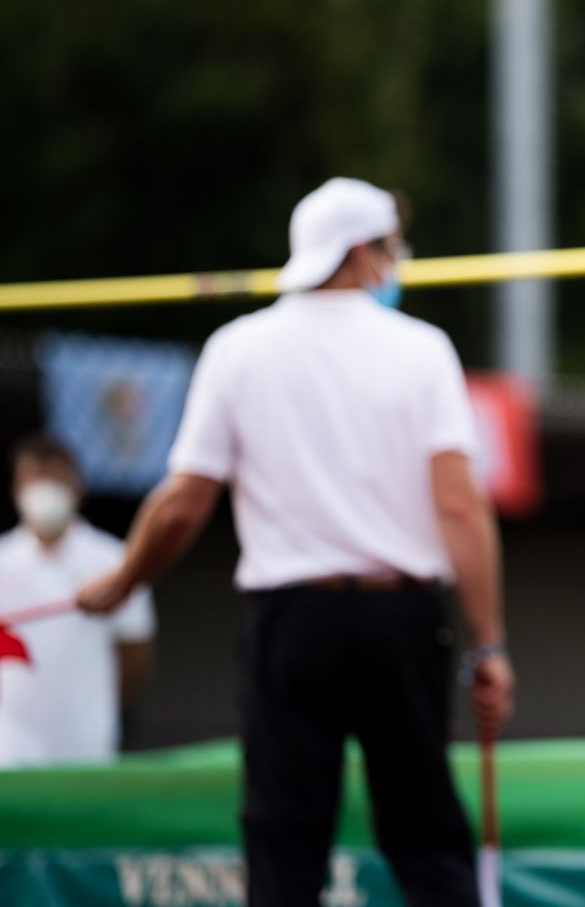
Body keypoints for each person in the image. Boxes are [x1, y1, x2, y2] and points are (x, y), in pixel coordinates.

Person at [76, 177, 514, 907]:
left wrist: (124, 579)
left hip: (291, 624)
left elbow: (185, 502)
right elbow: (460, 508)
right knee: (425, 830)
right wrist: (489, 643)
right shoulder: (422, 350)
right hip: (397, 619)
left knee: (284, 835)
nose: (394, 263)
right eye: (389, 248)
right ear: (359, 253)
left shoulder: (238, 349)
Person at [0, 434, 155, 767]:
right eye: (33, 477)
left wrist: (104, 707)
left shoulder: (115, 562)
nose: (43, 487)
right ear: (16, 488)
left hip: (87, 745)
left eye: (53, 476)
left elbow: (134, 653)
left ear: (77, 485)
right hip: (9, 748)